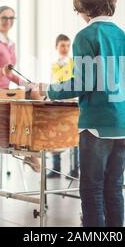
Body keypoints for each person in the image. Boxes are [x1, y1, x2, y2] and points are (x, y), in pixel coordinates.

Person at [35, 0, 125, 227]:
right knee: (114, 188)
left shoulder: (85, 36)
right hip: (124, 124)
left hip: (96, 126)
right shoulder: (123, 36)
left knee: (91, 191)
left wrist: (48, 90)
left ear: (83, 4)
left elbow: (82, 83)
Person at [0, 6, 40, 172]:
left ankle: (33, 147)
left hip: (6, 91)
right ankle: (31, 152)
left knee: (34, 94)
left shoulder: (10, 44)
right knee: (25, 110)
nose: (8, 21)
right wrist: (2, 71)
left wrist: (26, 84)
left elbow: (10, 74)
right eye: (4, 18)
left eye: (11, 18)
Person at [47, 34, 79, 179]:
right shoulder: (54, 64)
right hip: (57, 101)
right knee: (55, 133)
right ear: (56, 47)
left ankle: (75, 168)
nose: (65, 48)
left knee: (73, 134)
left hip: (70, 100)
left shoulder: (73, 62)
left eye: (67, 45)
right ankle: (56, 167)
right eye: (62, 45)